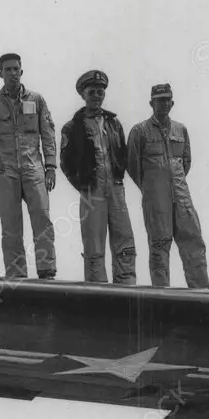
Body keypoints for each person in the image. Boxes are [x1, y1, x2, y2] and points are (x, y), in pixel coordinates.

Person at [0, 53, 57, 280]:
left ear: (22, 71)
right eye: (7, 70)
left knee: (42, 219)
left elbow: (47, 134)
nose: (12, 73)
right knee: (10, 225)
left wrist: (50, 166)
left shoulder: (36, 99)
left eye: (16, 69)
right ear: (0, 73)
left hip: (34, 169)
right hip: (5, 171)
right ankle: (16, 275)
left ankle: (46, 270)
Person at [127, 83, 209, 288]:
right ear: (151, 103)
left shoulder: (181, 129)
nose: (164, 103)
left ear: (172, 102)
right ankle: (161, 296)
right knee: (159, 246)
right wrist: (152, 187)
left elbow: (186, 162)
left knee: (193, 242)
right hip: (156, 199)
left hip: (182, 197)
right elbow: (132, 165)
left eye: (167, 99)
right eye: (159, 100)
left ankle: (202, 295)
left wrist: (173, 181)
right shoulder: (139, 131)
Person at [59, 70, 137, 284]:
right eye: (92, 92)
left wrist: (118, 177)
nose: (96, 95)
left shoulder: (114, 123)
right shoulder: (72, 126)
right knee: (93, 244)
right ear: (83, 95)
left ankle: (127, 286)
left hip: (116, 188)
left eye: (100, 92)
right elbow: (66, 162)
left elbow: (122, 151)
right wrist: (83, 184)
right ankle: (97, 292)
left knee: (124, 238)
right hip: (92, 191)